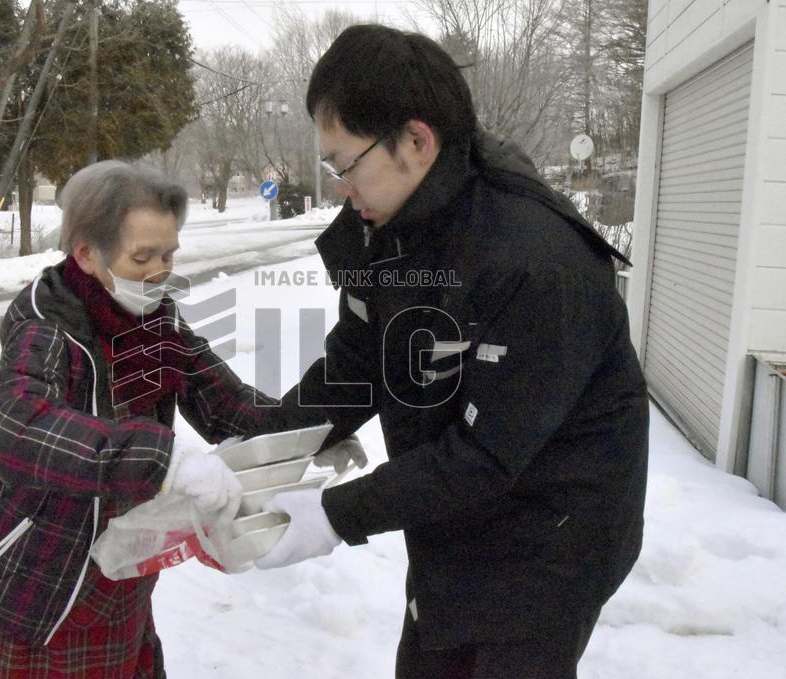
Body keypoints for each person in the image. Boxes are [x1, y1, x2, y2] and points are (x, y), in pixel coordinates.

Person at [252, 25, 650, 679]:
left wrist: (331, 516)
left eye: (344, 164)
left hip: (551, 540)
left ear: (416, 141)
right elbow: (357, 366)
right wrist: (262, 451)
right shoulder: (385, 229)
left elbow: (485, 454)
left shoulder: (538, 262)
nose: (340, 187)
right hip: (453, 517)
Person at [0, 161, 276, 678]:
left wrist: (307, 430)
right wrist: (164, 459)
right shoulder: (47, 326)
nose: (160, 271)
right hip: (25, 588)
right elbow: (14, 427)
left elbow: (223, 401)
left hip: (114, 580)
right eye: (143, 256)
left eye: (169, 254)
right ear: (86, 254)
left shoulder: (157, 321)